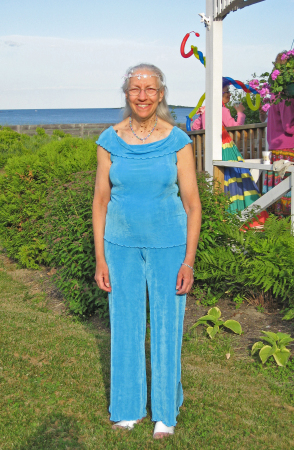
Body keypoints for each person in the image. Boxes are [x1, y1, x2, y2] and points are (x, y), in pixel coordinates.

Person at [92, 63, 202, 439]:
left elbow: (192, 204)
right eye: (136, 89)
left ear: (161, 94)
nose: (143, 96)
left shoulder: (177, 140)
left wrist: (188, 260)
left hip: (169, 246)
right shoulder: (109, 139)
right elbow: (100, 202)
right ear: (126, 94)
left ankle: (166, 412)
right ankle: (127, 406)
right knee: (124, 325)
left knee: (167, 327)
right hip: (119, 245)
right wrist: (100, 258)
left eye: (150, 89)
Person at [191, 80, 261, 214]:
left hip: (211, 147)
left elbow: (195, 127)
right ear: (219, 94)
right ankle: (238, 210)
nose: (229, 94)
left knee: (221, 179)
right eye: (227, 91)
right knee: (235, 175)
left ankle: (223, 210)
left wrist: (201, 115)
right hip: (225, 147)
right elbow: (234, 126)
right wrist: (240, 112)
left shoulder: (207, 110)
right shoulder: (222, 109)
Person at [262, 52, 294, 216]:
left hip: (277, 147)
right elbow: (289, 127)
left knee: (276, 195)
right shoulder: (287, 96)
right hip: (288, 149)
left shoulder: (275, 93)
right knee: (287, 196)